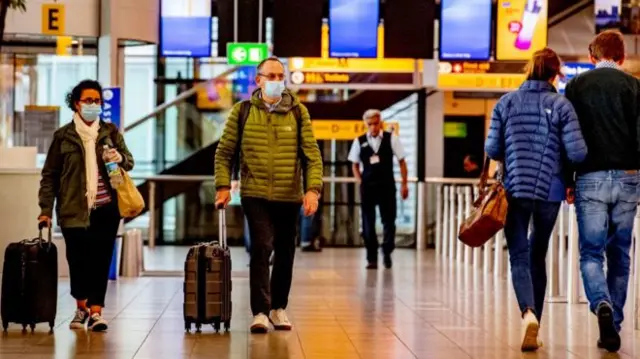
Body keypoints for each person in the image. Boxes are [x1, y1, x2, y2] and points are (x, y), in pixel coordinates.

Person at [485, 48, 587, 352]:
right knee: (537, 252)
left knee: (518, 254)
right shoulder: (562, 105)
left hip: (514, 190)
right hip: (550, 191)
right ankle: (536, 324)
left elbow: (492, 149)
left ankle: (527, 313)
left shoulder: (506, 102)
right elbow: (578, 153)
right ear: (554, 73)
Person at [214, 56, 323, 333]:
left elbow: (312, 155)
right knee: (262, 246)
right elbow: (225, 152)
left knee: (286, 251)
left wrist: (312, 190)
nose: (276, 81)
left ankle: (278, 308)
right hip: (255, 193)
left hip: (289, 195)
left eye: (280, 76)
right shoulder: (242, 112)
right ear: (258, 80)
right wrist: (223, 186)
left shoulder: (298, 112)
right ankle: (260, 311)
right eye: (270, 76)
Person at [38, 79, 134, 332]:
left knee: (101, 261)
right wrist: (45, 210)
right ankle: (81, 308)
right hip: (73, 210)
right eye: (88, 101)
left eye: (97, 101)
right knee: (78, 261)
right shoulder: (63, 137)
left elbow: (130, 162)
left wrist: (119, 157)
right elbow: (50, 176)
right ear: (76, 104)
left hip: (106, 209)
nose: (93, 105)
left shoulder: (111, 133)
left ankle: (96, 312)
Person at [565, 30, 640, 353]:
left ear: (592, 56)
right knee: (620, 255)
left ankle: (601, 303)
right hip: (627, 176)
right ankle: (614, 325)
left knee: (591, 252)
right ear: (622, 57)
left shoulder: (576, 87)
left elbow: (567, 138)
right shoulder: (634, 87)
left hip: (590, 177)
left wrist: (568, 179)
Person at [348, 109, 409, 270]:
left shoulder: (391, 139)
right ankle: (371, 257)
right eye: (370, 124)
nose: (373, 127)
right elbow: (354, 164)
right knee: (368, 222)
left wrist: (404, 183)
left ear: (380, 122)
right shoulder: (359, 141)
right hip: (368, 187)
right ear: (366, 124)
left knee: (389, 221)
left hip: (387, 186)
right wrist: (360, 181)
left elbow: (402, 161)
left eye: (376, 123)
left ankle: (387, 251)